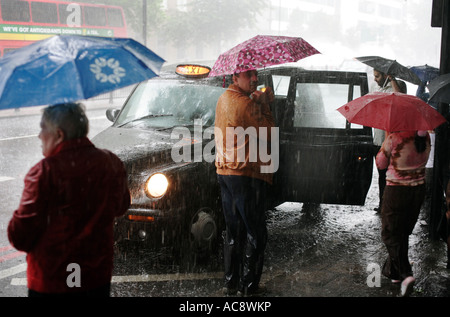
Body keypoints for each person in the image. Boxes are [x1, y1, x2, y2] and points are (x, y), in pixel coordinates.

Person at [8, 102, 130, 297]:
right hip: (95, 278)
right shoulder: (110, 163)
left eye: (42, 129)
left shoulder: (44, 172)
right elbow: (122, 206)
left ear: (59, 135)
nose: (39, 136)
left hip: (52, 281)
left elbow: (20, 236)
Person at [214, 69, 275, 297]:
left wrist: (256, 99)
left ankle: (231, 282)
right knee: (256, 232)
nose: (255, 79)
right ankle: (249, 288)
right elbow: (270, 133)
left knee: (234, 231)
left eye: (256, 74)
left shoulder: (224, 99)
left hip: (225, 171)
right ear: (234, 78)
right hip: (245, 174)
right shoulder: (244, 105)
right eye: (248, 75)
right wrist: (265, 104)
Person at [376, 130, 431, 297]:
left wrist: (384, 145)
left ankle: (405, 273)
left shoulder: (394, 137)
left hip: (397, 190)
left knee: (389, 233)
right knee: (403, 231)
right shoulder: (425, 137)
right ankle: (394, 272)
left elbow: (380, 163)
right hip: (418, 189)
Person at [372, 69, 407, 212]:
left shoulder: (398, 85)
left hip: (392, 140)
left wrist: (392, 79)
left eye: (377, 76)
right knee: (381, 174)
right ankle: (382, 204)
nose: (375, 79)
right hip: (379, 139)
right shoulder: (378, 89)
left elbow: (401, 98)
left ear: (386, 75)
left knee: (391, 175)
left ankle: (391, 205)